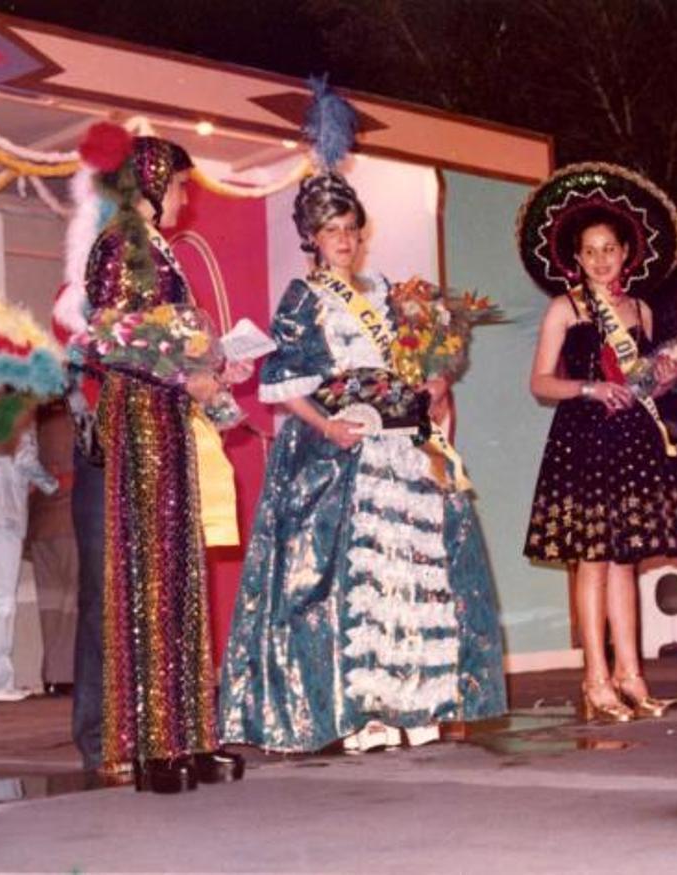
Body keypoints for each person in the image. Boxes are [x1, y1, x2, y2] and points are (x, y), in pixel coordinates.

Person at [221, 151, 505, 752]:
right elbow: (282, 386)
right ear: (313, 239)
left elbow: (416, 362)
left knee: (412, 569)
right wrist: (326, 429)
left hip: (400, 446)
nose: (343, 240)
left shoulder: (386, 292)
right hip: (340, 449)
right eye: (331, 231)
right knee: (358, 578)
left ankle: (415, 700)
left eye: (350, 229)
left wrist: (436, 382)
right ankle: (362, 711)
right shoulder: (303, 297)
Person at [81, 130, 244, 792]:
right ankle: (149, 746)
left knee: (181, 574)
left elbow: (159, 335)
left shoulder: (157, 248)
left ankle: (191, 735)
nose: (184, 197)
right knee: (149, 577)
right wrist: (187, 373)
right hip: (142, 418)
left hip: (170, 417)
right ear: (152, 180)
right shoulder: (122, 243)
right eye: (178, 184)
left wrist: (211, 365)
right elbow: (112, 340)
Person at [518, 162, 677, 722]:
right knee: (591, 561)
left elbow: (644, 377)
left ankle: (631, 675)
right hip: (584, 438)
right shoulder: (564, 308)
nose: (600, 259)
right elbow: (540, 382)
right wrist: (589, 388)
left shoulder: (640, 310)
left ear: (626, 252)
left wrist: (666, 376)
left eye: (609, 248)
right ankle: (594, 678)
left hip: (633, 441)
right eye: (590, 250)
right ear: (577, 257)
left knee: (626, 561)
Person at [0, 421, 56, 700]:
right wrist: (52, 483)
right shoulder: (18, 409)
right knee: (2, 597)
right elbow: (25, 459)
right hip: (3, 509)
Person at [27, 400, 78, 696]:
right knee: (73, 603)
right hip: (70, 521)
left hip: (41, 525)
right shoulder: (74, 422)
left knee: (51, 606)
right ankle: (68, 675)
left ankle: (53, 674)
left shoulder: (37, 421)